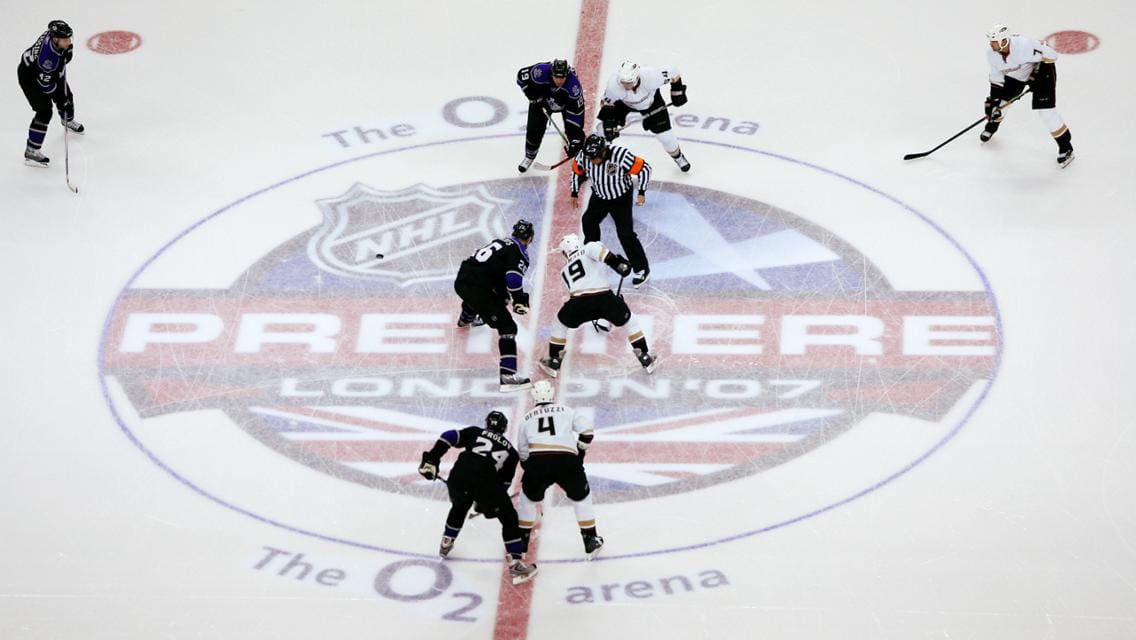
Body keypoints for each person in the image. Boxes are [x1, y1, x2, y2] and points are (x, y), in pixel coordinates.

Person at [418, 411, 537, 584]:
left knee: (460, 505)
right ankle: (516, 564)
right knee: (509, 517)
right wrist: (486, 503)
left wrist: (432, 458)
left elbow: (448, 436)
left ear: (487, 423)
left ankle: (446, 541)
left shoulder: (475, 432)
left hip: (459, 475)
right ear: (504, 427)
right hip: (486, 482)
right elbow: (503, 485)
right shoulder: (512, 453)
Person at [539, 234, 658, 377]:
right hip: (604, 299)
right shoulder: (589, 247)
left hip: (578, 303)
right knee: (630, 322)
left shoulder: (563, 272)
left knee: (560, 324)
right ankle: (645, 357)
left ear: (565, 252)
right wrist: (621, 266)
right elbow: (609, 259)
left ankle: (554, 361)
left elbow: (577, 287)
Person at [516, 381, 604, 559]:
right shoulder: (567, 410)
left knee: (527, 499)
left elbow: (523, 451)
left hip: (538, 462)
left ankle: (522, 541)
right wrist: (579, 451)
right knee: (581, 498)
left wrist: (529, 469)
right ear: (552, 393)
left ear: (534, 396)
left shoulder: (526, 419)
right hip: (567, 461)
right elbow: (587, 432)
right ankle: (590, 539)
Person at [453, 219, 535, 392]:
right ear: (530, 238)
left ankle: (465, 319)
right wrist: (519, 299)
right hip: (478, 289)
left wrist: (505, 296)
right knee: (508, 327)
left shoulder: (500, 242)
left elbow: (492, 272)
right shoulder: (520, 253)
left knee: (485, 298)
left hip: (463, 279)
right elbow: (513, 279)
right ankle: (508, 376)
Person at [982, 24, 1074, 167]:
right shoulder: (992, 54)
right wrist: (994, 102)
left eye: (994, 41)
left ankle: (1066, 146)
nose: (991, 44)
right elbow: (996, 79)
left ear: (1004, 41)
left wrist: (1038, 76)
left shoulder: (1024, 46)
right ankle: (992, 125)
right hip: (1022, 68)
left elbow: (1051, 55)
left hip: (1043, 67)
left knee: (1046, 112)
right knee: (1001, 104)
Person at [570, 134, 653, 288]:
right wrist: (574, 192)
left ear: (603, 151)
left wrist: (642, 192)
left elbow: (644, 169)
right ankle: (592, 255)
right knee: (588, 221)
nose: (592, 161)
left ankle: (642, 268)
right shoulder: (584, 156)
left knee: (625, 233)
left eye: (595, 157)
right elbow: (576, 170)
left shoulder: (621, 155)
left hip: (620, 198)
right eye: (590, 157)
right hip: (600, 196)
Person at [598, 60, 690, 171]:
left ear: (636, 78)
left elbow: (673, 71)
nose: (625, 85)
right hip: (624, 103)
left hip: (651, 103)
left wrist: (677, 92)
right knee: (603, 129)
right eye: (623, 82)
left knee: (666, 137)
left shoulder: (651, 77)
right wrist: (609, 124)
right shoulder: (614, 85)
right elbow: (607, 103)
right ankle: (601, 157)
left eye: (629, 82)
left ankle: (678, 157)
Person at [18, 19, 84, 168]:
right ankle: (32, 150)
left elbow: (64, 55)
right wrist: (61, 99)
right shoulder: (47, 59)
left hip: (45, 72)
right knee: (45, 111)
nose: (69, 42)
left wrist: (66, 52)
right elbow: (46, 86)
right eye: (65, 40)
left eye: (69, 38)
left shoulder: (54, 37)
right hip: (30, 79)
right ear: (55, 39)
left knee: (67, 95)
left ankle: (67, 119)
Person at [516, 59, 586, 172]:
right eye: (556, 77)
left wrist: (576, 139)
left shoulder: (574, 87)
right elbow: (521, 76)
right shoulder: (540, 71)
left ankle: (581, 159)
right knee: (534, 129)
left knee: (574, 133)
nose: (559, 80)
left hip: (565, 104)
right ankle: (529, 157)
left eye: (562, 77)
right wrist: (532, 95)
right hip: (541, 100)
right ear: (551, 73)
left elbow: (577, 113)